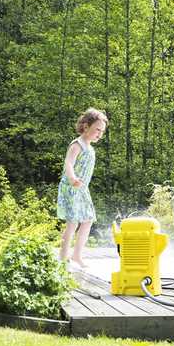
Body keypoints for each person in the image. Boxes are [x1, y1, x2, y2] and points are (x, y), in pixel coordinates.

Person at [57, 108, 108, 268]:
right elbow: (69, 163)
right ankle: (63, 258)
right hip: (71, 188)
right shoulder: (77, 144)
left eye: (102, 131)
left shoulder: (90, 147)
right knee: (72, 223)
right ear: (86, 127)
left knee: (87, 220)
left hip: (82, 190)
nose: (99, 134)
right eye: (97, 129)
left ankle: (77, 255)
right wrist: (72, 178)